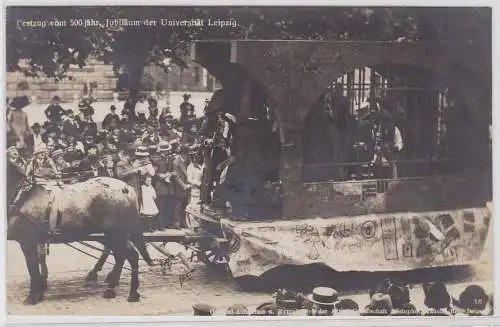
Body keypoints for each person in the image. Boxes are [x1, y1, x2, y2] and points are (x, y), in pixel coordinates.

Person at [172, 145, 191, 229]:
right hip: (179, 187)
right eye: (187, 154)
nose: (188, 156)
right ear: (183, 154)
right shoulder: (176, 162)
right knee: (178, 206)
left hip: (187, 187)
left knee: (184, 205)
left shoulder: (188, 161)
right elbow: (176, 177)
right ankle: (176, 222)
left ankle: (183, 222)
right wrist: (183, 186)